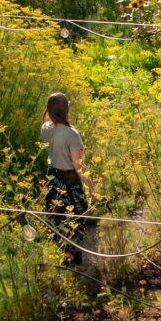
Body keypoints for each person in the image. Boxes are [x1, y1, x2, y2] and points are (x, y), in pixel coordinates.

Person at [40, 92, 94, 265]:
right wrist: (91, 186)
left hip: (52, 178)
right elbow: (78, 166)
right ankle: (76, 260)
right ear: (66, 110)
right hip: (69, 180)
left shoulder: (45, 129)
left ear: (49, 111)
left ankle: (62, 258)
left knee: (57, 218)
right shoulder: (71, 134)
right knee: (76, 218)